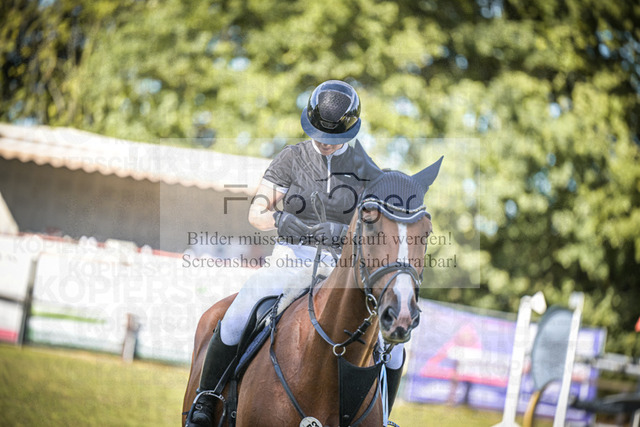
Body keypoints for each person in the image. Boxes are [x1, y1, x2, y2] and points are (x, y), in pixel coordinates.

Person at [187, 80, 405, 426]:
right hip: (291, 260)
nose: (325, 142)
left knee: (394, 346)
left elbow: (376, 230)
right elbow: (256, 213)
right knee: (242, 306)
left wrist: (344, 234)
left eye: (333, 138)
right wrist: (289, 223)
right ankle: (207, 397)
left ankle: (385, 416)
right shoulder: (291, 158)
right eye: (319, 134)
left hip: (340, 268)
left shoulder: (368, 172)